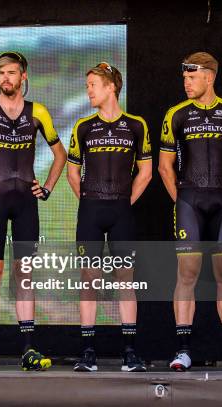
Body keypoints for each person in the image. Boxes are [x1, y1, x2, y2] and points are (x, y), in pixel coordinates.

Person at [0, 51, 67, 371]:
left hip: (26, 203)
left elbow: (59, 154)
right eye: (2, 73)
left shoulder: (39, 112)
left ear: (24, 77)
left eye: (12, 73)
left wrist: (46, 187)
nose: (6, 78)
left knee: (25, 275)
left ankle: (29, 348)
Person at [158, 52, 222, 371]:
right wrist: (182, 199)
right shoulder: (175, 114)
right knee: (186, 273)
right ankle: (183, 350)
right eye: (184, 76)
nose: (186, 82)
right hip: (189, 203)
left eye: (192, 76)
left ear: (210, 77)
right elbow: (164, 166)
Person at [67, 62, 152, 372]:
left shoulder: (136, 125)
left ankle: (130, 352)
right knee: (88, 279)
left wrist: (124, 202)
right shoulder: (83, 126)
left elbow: (146, 171)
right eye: (87, 84)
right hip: (90, 210)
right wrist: (89, 201)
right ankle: (87, 352)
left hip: (121, 212)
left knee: (125, 280)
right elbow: (72, 172)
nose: (88, 90)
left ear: (111, 87)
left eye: (92, 84)